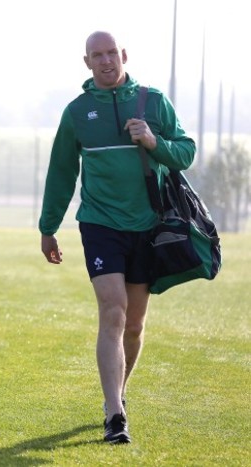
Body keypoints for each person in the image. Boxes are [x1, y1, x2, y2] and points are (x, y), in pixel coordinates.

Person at [38, 31, 196, 444]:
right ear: (87, 63)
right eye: (97, 55)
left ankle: (119, 396)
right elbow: (61, 173)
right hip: (100, 224)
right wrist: (48, 227)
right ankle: (113, 415)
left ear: (123, 55)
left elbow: (186, 152)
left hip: (146, 226)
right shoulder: (77, 112)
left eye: (112, 53)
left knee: (134, 325)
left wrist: (152, 140)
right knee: (113, 311)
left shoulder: (154, 102)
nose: (106, 61)